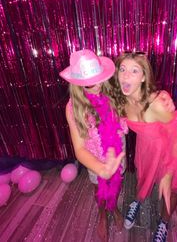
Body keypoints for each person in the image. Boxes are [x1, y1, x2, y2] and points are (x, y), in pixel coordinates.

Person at [111, 52, 177, 242]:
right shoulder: (120, 101)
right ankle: (138, 200)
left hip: (172, 150)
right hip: (147, 148)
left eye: (134, 71)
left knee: (170, 191)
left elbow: (176, 138)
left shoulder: (157, 104)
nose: (126, 75)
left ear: (143, 77)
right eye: (123, 70)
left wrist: (167, 175)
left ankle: (164, 222)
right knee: (143, 178)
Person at [59, 49, 127, 242]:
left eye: (100, 79)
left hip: (117, 153)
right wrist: (101, 169)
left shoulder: (114, 94)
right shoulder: (73, 108)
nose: (97, 86)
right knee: (98, 188)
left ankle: (113, 208)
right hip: (94, 157)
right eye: (90, 84)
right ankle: (102, 214)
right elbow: (79, 149)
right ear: (78, 84)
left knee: (117, 183)